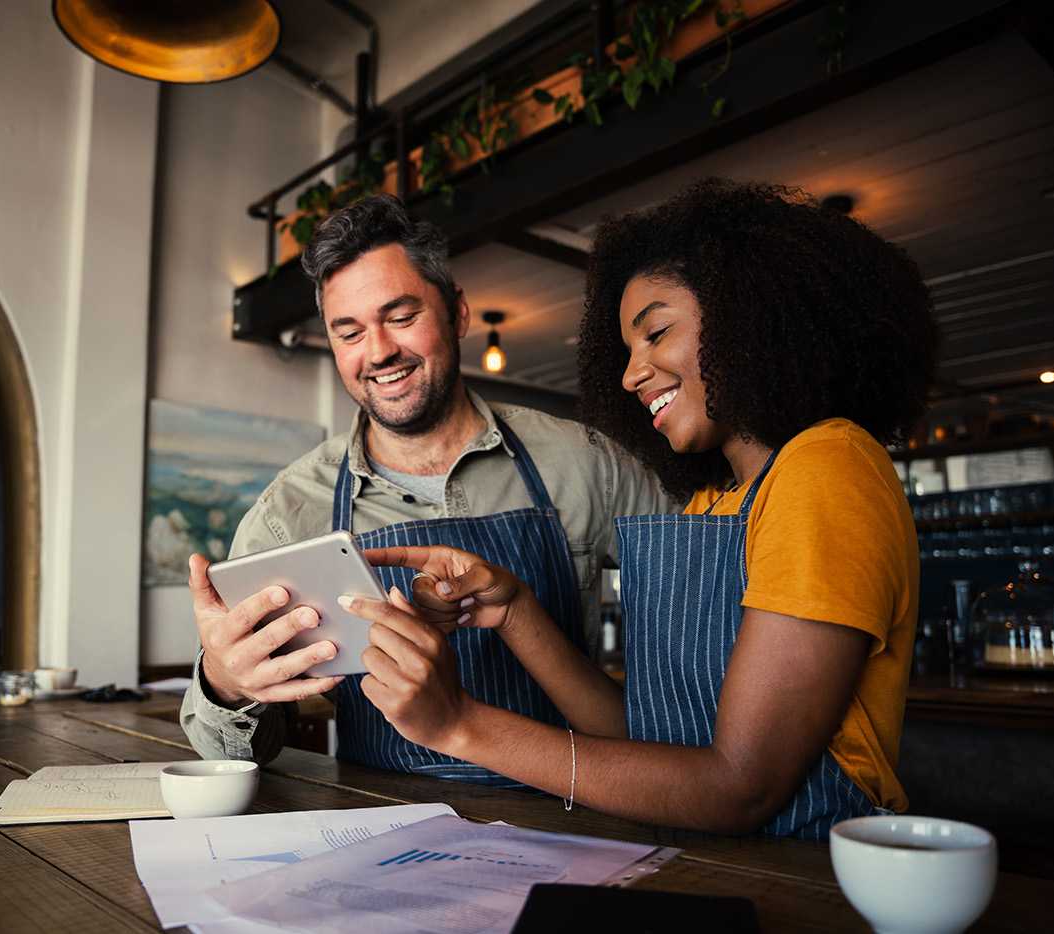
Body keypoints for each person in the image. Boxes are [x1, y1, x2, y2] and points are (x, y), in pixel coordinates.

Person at [344, 179, 935, 838]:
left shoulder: (827, 468)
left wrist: (457, 725)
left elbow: (740, 785)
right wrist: (514, 611)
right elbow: (648, 742)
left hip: (808, 874)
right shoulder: (718, 503)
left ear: (750, 315)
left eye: (656, 333)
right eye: (627, 351)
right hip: (705, 864)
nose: (631, 375)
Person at [180, 194, 674, 785]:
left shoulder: (587, 463)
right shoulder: (290, 512)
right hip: (380, 827)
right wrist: (226, 685)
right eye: (349, 332)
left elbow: (701, 637)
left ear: (457, 313)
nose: (379, 351)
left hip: (587, 814)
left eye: (401, 316)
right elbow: (237, 759)